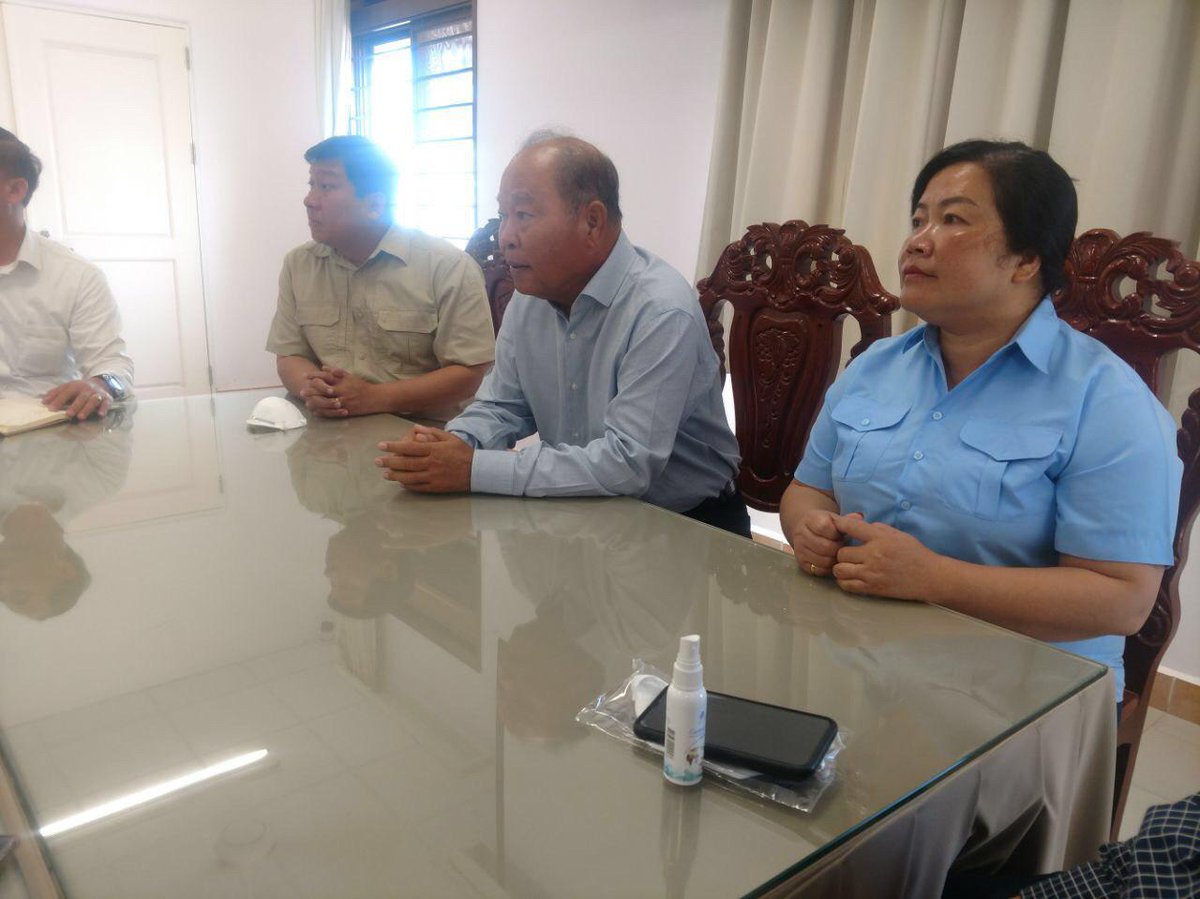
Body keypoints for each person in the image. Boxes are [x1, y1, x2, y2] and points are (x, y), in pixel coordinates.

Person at [780, 139, 1181, 698]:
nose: (917, 241)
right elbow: (808, 491)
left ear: (1026, 260)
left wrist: (935, 580)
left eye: (952, 220)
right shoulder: (876, 366)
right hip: (857, 654)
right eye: (918, 219)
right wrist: (810, 530)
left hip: (1024, 691)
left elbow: (1122, 600)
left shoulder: (1107, 400)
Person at [375, 133, 748, 537]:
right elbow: (502, 406)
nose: (505, 236)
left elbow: (627, 463)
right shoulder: (529, 298)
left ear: (592, 221)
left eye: (523, 214)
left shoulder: (659, 309)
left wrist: (473, 469)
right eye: (503, 215)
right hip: (578, 511)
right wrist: (453, 444)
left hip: (686, 525)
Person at [266, 135, 496, 422]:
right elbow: (290, 354)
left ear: (374, 204)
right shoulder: (299, 265)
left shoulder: (448, 267)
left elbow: (470, 373)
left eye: (326, 186)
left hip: (423, 432)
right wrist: (316, 390)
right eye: (311, 185)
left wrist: (373, 398)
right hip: (331, 429)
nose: (309, 200)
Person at [0, 128, 133, 418]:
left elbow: (113, 366)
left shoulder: (77, 276)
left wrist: (100, 384)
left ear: (15, 190)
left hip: (47, 431)